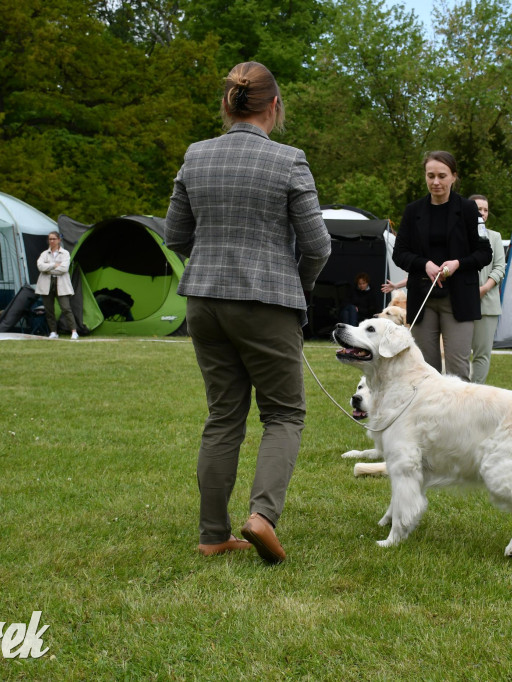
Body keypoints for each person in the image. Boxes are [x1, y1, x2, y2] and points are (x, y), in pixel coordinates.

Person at [165, 61, 332, 563]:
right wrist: (295, 291)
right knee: (283, 413)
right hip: (267, 302)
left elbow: (175, 237)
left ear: (227, 105)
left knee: (223, 416)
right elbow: (318, 246)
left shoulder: (196, 156)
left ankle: (213, 533)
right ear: (274, 106)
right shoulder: (289, 160)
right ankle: (262, 517)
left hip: (203, 302)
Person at [391, 151, 492, 380]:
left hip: (459, 299)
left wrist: (458, 263)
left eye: (442, 176)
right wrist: (423, 263)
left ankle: (462, 416)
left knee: (458, 369)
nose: (436, 182)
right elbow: (400, 254)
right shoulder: (413, 211)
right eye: (431, 176)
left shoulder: (469, 210)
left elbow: (484, 253)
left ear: (454, 177)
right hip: (423, 297)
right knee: (425, 370)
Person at [468, 194, 505, 383]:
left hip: (488, 304)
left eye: (485, 209)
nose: (482, 213)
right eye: (478, 209)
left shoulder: (495, 237)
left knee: (482, 354)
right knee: (460, 353)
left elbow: (500, 267)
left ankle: (476, 394)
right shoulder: (459, 235)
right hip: (461, 303)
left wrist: (484, 288)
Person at [35, 233, 78, 340]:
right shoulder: (44, 254)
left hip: (61, 283)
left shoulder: (65, 253)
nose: (52, 241)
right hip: (46, 284)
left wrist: (47, 269)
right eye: (50, 239)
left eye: (54, 239)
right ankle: (53, 331)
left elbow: (64, 269)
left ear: (59, 240)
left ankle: (74, 331)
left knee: (66, 308)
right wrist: (54, 265)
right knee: (49, 309)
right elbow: (40, 267)